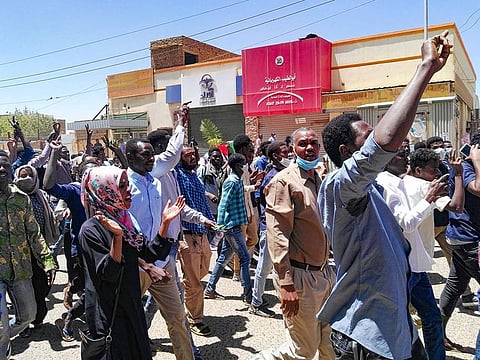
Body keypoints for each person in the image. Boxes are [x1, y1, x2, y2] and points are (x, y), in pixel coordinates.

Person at [318, 31, 451, 359]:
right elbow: (385, 141)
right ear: (348, 152)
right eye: (367, 137)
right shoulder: (341, 187)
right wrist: (425, 69)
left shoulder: (376, 187)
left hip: (395, 326)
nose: (393, 144)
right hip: (367, 334)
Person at [79, 166, 183, 360]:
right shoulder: (91, 229)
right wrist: (117, 238)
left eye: (127, 185)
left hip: (131, 304)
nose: (129, 191)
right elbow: (108, 275)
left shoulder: (126, 221)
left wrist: (165, 223)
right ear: (106, 190)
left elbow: (149, 253)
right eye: (122, 186)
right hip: (110, 312)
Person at [254, 128, 335, 360]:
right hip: (300, 278)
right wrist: (286, 284)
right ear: (292, 149)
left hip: (324, 273)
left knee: (330, 345)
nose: (309, 148)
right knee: (303, 350)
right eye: (303, 144)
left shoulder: (318, 180)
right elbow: (277, 235)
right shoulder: (284, 182)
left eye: (313, 143)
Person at [126, 138, 195, 360]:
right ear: (130, 158)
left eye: (151, 153)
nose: (151, 158)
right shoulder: (123, 184)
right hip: (135, 267)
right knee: (128, 323)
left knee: (177, 317)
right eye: (145, 154)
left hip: (162, 262)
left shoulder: (155, 182)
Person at [0, 151, 55, 359]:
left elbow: (34, 233)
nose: (2, 169)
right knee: (0, 324)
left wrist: (48, 261)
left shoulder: (21, 199)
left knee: (28, 316)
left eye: (6, 165)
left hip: (21, 270)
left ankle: (4, 339)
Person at [439, 136, 480, 350]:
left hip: (464, 238)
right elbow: (478, 188)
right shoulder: (467, 167)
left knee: (454, 287)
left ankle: (437, 336)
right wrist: (476, 159)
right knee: (454, 288)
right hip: (470, 239)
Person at [13, 165, 58, 336]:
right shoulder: (13, 197)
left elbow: (50, 215)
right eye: (22, 176)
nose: (26, 179)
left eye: (29, 176)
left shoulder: (42, 196)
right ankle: (24, 324)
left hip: (40, 248)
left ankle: (38, 318)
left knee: (42, 286)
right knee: (23, 289)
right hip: (18, 252)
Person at [176, 147, 216, 336]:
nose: (192, 157)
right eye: (188, 155)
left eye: (194, 154)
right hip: (187, 232)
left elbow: (201, 202)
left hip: (202, 232)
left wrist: (212, 224)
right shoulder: (176, 176)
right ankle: (195, 319)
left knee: (202, 272)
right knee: (193, 282)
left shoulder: (194, 176)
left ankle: (189, 297)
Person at [204, 154, 252, 303]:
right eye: (243, 164)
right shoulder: (231, 182)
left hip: (235, 224)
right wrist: (221, 226)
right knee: (245, 258)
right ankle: (249, 295)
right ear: (237, 166)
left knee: (223, 259)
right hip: (231, 227)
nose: (245, 167)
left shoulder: (236, 181)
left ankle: (210, 289)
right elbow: (223, 204)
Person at [250, 141, 289, 318]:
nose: (288, 156)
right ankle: (256, 302)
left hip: (283, 227)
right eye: (285, 153)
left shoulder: (284, 173)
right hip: (270, 228)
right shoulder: (272, 177)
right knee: (264, 267)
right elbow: (266, 203)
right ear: (275, 156)